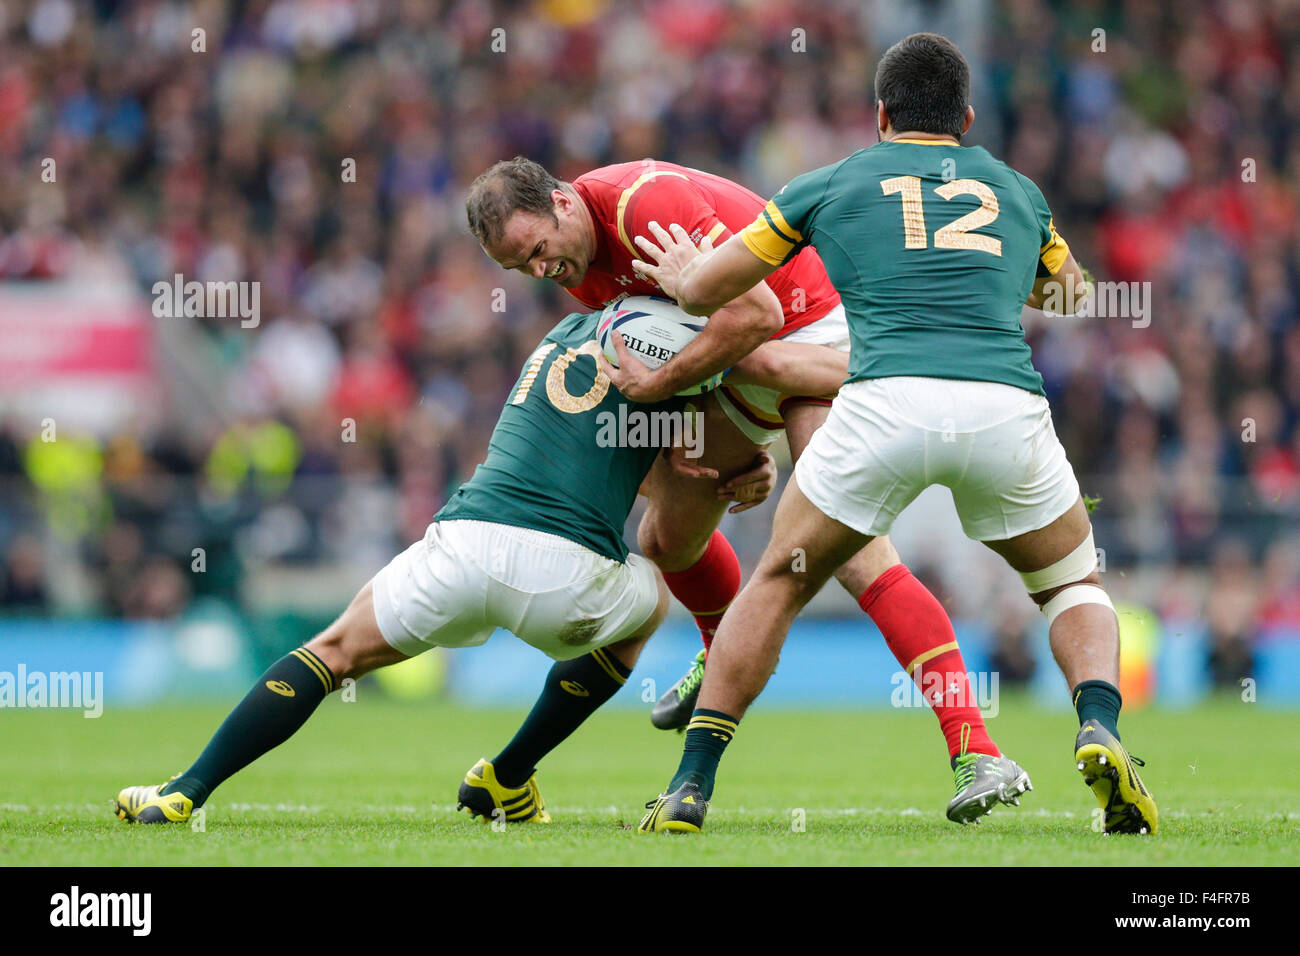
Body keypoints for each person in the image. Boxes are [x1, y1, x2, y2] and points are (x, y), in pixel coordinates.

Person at [632, 33, 1157, 836]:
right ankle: (1099, 727)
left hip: (882, 404)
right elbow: (1071, 295)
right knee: (1071, 584)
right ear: (968, 118)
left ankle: (690, 785)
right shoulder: (1016, 190)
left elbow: (712, 287)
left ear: (880, 115)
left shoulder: (832, 182)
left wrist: (680, 279)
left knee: (778, 581)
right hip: (1002, 405)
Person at [466, 156, 1025, 824]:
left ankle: (976, 748)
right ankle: (721, 648)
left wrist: (681, 392)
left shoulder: (645, 205)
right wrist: (692, 446)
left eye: (535, 251)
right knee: (666, 538)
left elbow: (753, 315)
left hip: (813, 324)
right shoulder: (578, 265)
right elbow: (673, 360)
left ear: (561, 203)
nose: (537, 272)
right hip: (739, 359)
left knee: (847, 550)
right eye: (517, 269)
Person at [113, 304, 776, 825]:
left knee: (333, 651)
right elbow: (672, 483)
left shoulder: (564, 333)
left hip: (463, 544)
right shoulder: (678, 340)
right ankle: (509, 774)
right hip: (569, 586)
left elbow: (588, 447)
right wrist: (741, 467)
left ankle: (185, 789)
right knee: (651, 602)